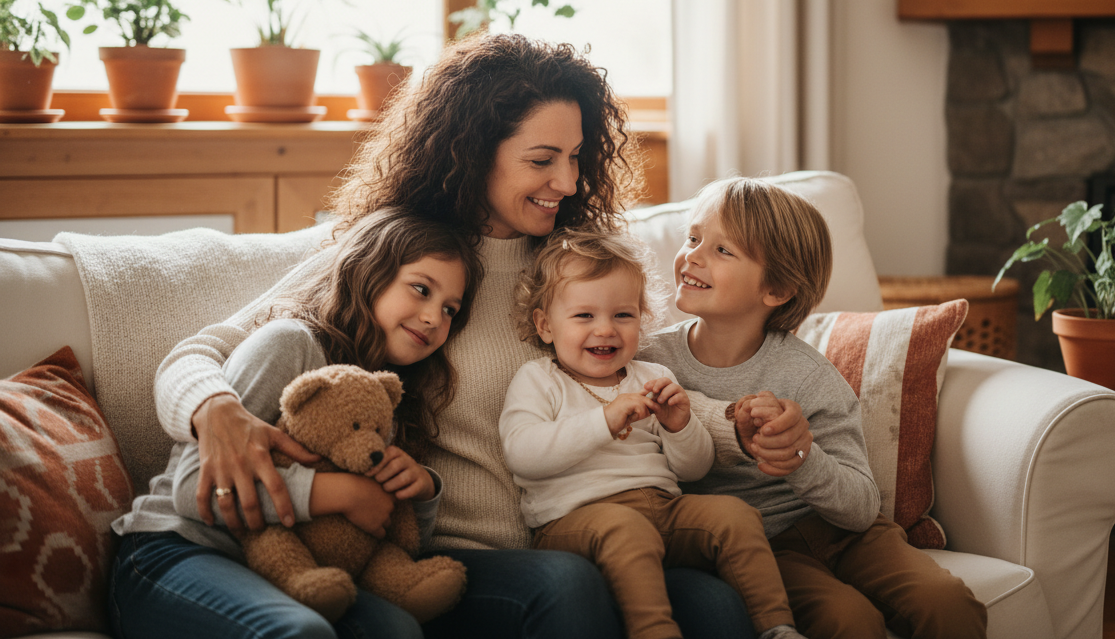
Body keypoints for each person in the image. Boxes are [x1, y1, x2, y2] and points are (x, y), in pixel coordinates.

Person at [145, 33, 813, 639]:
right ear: (472, 153)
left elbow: (650, 382)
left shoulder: (580, 261)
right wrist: (217, 410)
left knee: (718, 607)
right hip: (462, 554)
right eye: (543, 159)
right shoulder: (404, 261)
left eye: (577, 158)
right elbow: (202, 352)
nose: (569, 182)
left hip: (585, 528)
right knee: (565, 587)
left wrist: (742, 430)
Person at [110, 209, 482, 639]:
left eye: (450, 309)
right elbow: (193, 490)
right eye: (421, 289)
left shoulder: (387, 400)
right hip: (174, 552)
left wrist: (422, 492)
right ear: (371, 272)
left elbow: (386, 536)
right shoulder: (290, 345)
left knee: (398, 629)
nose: (435, 318)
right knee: (301, 631)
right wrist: (333, 494)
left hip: (289, 573)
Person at [643, 177, 987, 639]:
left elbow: (863, 508)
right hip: (764, 549)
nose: (693, 255)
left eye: (724, 250)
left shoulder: (808, 375)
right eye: (693, 237)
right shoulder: (648, 361)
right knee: (846, 621)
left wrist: (802, 457)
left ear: (777, 289)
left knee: (948, 604)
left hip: (849, 533)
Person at [501, 229, 807, 639]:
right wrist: (604, 421)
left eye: (623, 315)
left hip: (664, 509)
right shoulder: (539, 380)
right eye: (584, 316)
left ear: (642, 320)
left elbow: (695, 470)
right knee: (626, 530)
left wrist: (679, 424)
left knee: (734, 515)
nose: (606, 330)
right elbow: (524, 454)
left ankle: (777, 627)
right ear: (545, 325)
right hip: (576, 520)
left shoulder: (654, 377)